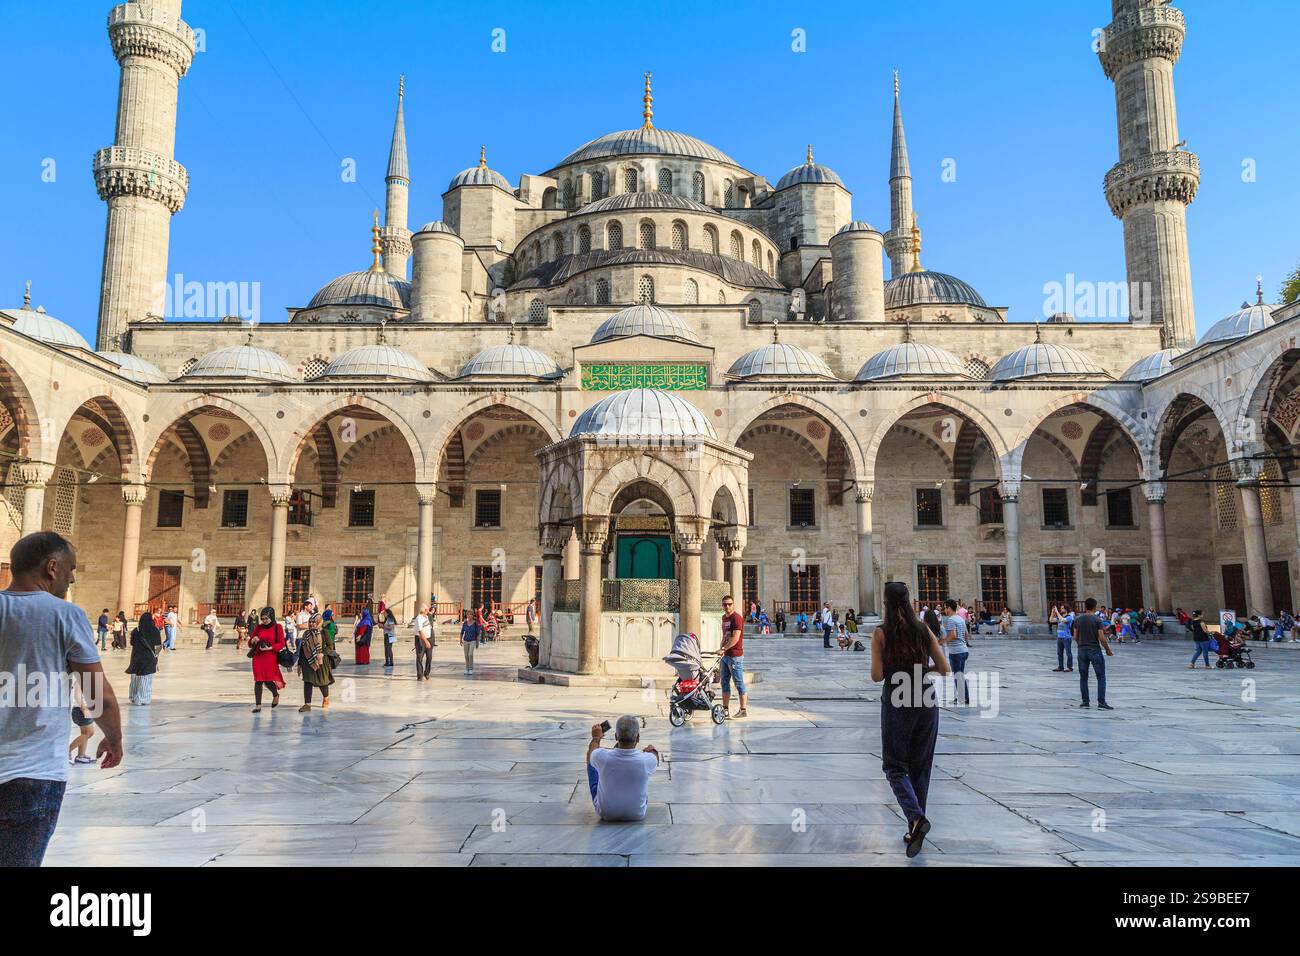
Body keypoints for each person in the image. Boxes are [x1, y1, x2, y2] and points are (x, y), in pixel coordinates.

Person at [0, 532, 123, 867]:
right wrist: (114, 738)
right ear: (52, 567)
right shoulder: (64, 615)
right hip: (33, 773)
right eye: (71, 568)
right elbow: (98, 693)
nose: (72, 577)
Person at [870, 581, 950, 858]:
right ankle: (915, 826)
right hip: (925, 698)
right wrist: (918, 666)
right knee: (921, 767)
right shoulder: (923, 629)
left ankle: (916, 818)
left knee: (894, 766)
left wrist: (898, 667)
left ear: (886, 602)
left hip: (897, 698)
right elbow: (944, 668)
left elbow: (877, 676)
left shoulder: (881, 634)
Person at [585, 717, 659, 823]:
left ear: (616, 736)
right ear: (637, 738)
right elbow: (655, 759)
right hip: (637, 813)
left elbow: (591, 752)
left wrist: (596, 738)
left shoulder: (602, 756)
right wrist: (652, 750)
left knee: (593, 764)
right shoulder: (646, 759)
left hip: (606, 813)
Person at [1072, 598, 1114, 710]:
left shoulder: (1077, 619)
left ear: (1085, 606)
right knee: (1100, 677)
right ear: (1095, 607)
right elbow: (1102, 638)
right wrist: (1108, 650)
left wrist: (1080, 644)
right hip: (1094, 650)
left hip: (1082, 651)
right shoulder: (1097, 620)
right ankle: (1101, 702)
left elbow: (1075, 637)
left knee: (1083, 677)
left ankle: (1085, 702)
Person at [248, 606, 286, 712]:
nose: (264, 621)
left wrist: (271, 647)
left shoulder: (277, 627)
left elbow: (281, 643)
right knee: (258, 680)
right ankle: (258, 705)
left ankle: (275, 694)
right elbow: (249, 643)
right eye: (262, 618)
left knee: (268, 680)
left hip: (270, 657)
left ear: (271, 617)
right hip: (258, 657)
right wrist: (254, 640)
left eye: (266, 618)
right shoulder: (259, 627)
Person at [297, 600, 333, 711]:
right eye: (310, 622)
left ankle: (326, 698)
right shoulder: (306, 634)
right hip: (308, 661)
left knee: (322, 682)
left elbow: (330, 646)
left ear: (319, 622)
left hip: (321, 661)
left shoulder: (324, 633)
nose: (312, 624)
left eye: (314, 622)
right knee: (307, 682)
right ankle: (307, 704)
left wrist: (322, 653)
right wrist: (299, 664)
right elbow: (302, 650)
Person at [719, 594, 748, 717]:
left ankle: (743, 710)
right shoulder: (724, 618)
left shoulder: (737, 618)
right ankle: (725, 709)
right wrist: (721, 647)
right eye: (725, 604)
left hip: (735, 656)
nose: (727, 606)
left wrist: (724, 648)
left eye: (729, 604)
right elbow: (725, 635)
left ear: (733, 605)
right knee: (724, 682)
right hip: (725, 656)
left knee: (738, 682)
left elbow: (735, 638)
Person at [125, 611, 162, 705]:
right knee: (146, 678)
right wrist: (157, 658)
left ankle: (133, 696)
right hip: (148, 657)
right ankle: (142, 698)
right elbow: (158, 646)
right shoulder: (155, 630)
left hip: (136, 656)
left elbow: (132, 643)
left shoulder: (136, 631)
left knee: (135, 677)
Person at [939, 599, 970, 705]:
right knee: (960, 675)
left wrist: (942, 641)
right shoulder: (960, 619)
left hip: (956, 652)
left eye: (945, 608)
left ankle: (963, 697)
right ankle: (964, 697)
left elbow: (953, 635)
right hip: (963, 650)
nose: (944, 610)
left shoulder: (951, 620)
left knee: (958, 675)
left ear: (948, 608)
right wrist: (963, 644)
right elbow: (966, 634)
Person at [413, 605, 433, 681]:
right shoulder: (419, 618)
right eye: (427, 609)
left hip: (429, 638)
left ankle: (426, 673)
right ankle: (420, 675)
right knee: (419, 657)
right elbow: (420, 631)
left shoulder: (426, 617)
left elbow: (428, 626)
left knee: (429, 657)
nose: (428, 611)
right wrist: (426, 641)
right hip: (421, 639)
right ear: (424, 610)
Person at [1053, 605, 1075, 672]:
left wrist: (1056, 611)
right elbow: (1051, 620)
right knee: (1059, 653)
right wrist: (1052, 612)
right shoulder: (1060, 617)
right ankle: (1060, 667)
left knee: (1068, 653)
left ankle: (1070, 667)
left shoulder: (1069, 617)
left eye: (1062, 608)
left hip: (1066, 637)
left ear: (1066, 609)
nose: (1061, 609)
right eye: (1061, 608)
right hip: (1059, 637)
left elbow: (1063, 620)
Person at [460, 610, 479, 675]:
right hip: (465, 640)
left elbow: (477, 634)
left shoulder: (475, 623)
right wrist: (460, 640)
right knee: (466, 655)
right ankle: (467, 668)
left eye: (470, 614)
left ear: (473, 615)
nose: (469, 616)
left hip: (472, 641)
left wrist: (477, 642)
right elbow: (462, 632)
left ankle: (471, 668)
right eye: (468, 614)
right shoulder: (465, 623)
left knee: (470, 654)